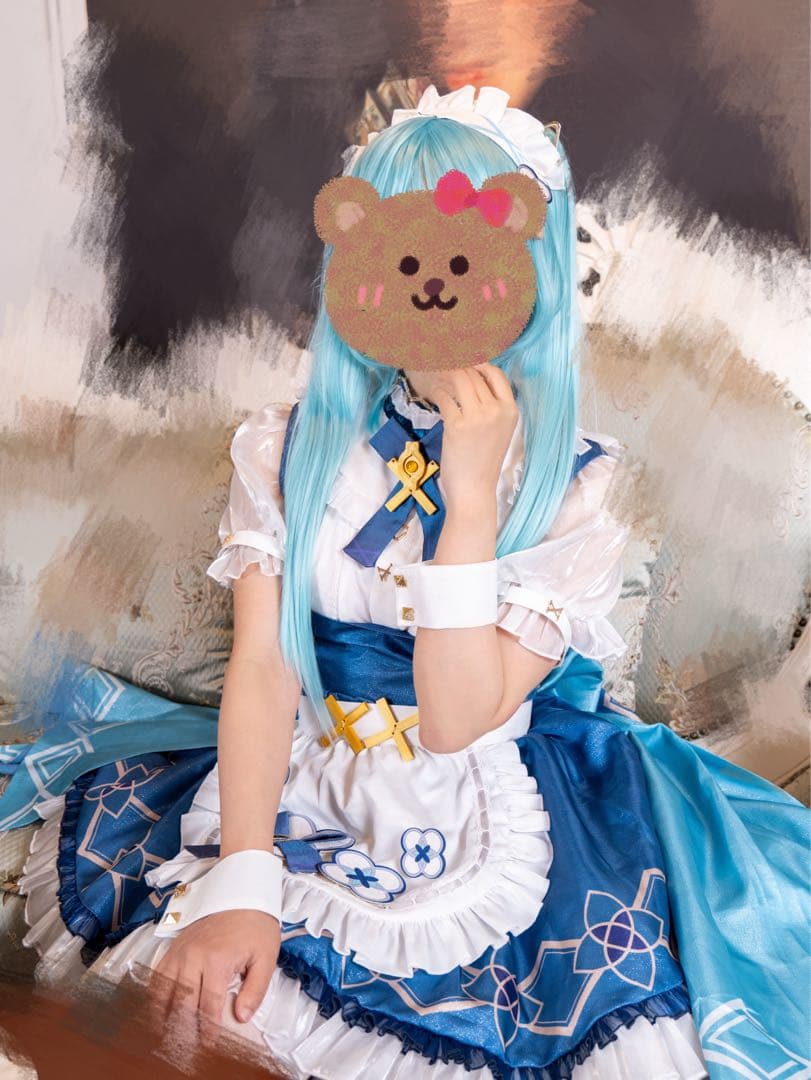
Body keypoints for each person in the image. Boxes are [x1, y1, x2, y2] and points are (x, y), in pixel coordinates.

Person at [0, 84, 808, 1080]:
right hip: (301, 778)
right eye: (398, 249)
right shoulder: (285, 447)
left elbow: (458, 719)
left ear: (526, 268)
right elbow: (265, 669)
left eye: (466, 254)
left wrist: (468, 499)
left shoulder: (573, 486)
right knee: (217, 1014)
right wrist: (244, 879)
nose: (433, 285)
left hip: (495, 791)